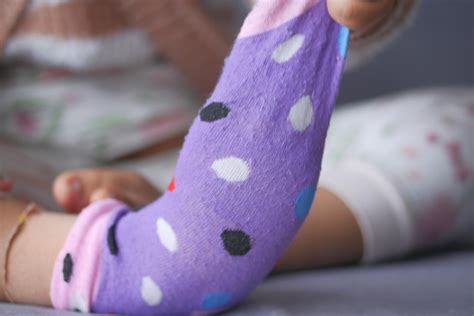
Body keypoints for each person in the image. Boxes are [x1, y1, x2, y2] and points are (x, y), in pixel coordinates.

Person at [4, 0, 471, 314]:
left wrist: (351, 12)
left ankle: (233, 230)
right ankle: (169, 242)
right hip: (39, 177)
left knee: (455, 128)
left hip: (223, 159)